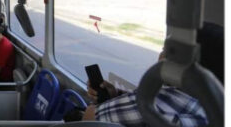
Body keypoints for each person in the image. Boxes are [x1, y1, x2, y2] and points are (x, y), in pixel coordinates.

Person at [83, 23, 222, 126]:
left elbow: (90, 118)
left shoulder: (165, 99)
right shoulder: (216, 108)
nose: (160, 56)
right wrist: (115, 94)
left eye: (166, 51)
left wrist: (93, 107)